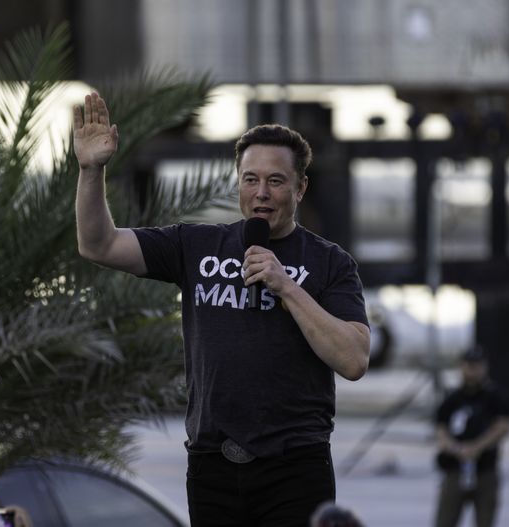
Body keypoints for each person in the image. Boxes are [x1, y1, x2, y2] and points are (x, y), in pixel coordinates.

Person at [73, 92, 370, 526]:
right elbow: (98, 244)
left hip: (294, 468)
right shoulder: (195, 246)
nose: (261, 193)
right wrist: (90, 170)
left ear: (300, 187)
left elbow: (354, 359)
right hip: (213, 465)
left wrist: (285, 285)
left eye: (276, 181)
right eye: (251, 180)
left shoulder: (330, 263)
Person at [433, 346, 509, 527]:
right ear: (461, 367)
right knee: (445, 519)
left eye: (477, 366)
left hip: (484, 469)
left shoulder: (495, 396)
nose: (472, 370)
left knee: (485, 519)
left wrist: (476, 447)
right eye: (469, 365)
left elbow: (504, 426)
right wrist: (456, 449)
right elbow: (440, 429)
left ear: (485, 367)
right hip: (455, 468)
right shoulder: (452, 398)